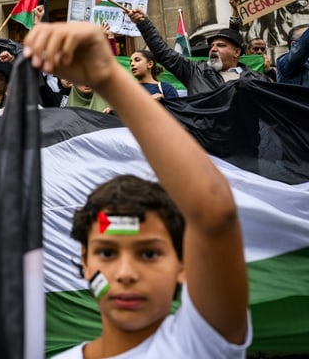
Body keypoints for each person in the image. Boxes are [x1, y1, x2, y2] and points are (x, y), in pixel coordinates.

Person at [23, 21, 250, 358]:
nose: (126, 274)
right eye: (107, 253)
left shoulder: (202, 343)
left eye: (149, 253)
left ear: (182, 265)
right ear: (84, 262)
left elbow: (214, 212)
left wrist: (108, 77)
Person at [128, 8, 267, 95]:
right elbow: (163, 53)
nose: (213, 49)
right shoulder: (195, 71)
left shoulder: (257, 80)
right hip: (204, 138)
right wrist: (144, 24)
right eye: (212, 45)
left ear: (236, 53)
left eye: (220, 45)